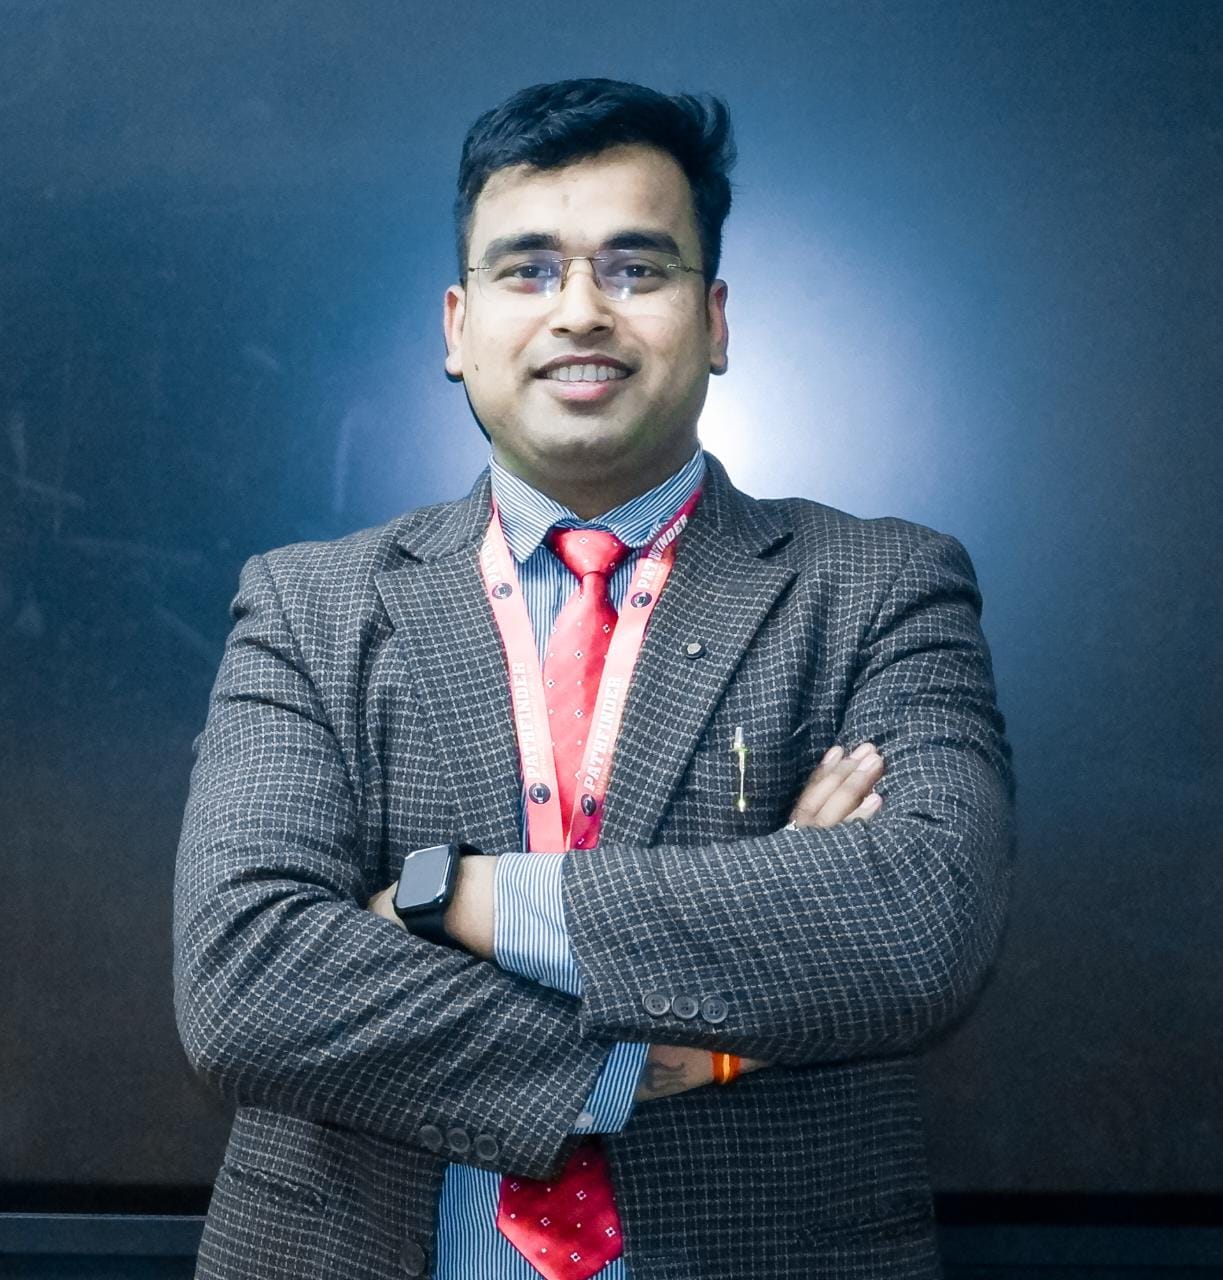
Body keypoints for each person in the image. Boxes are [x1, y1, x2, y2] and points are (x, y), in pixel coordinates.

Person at [173, 78, 1014, 1280]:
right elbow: (248, 980)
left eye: (634, 267)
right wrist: (680, 1044)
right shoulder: (310, 605)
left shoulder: (878, 585)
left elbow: (918, 917)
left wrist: (455, 898)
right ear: (457, 325)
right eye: (527, 270)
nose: (579, 310)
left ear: (712, 320)